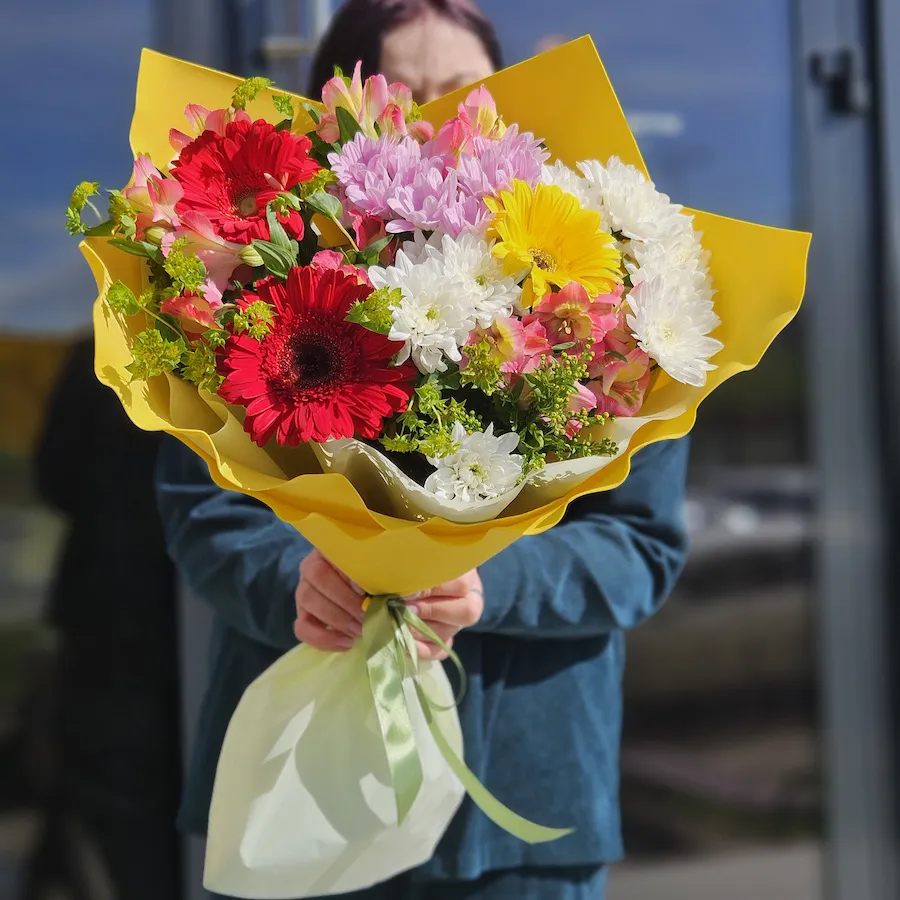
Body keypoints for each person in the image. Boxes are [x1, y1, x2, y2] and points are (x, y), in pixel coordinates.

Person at [156, 2, 691, 898]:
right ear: (341, 117)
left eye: (470, 93)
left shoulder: (609, 299)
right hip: (305, 804)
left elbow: (640, 546)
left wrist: (487, 582)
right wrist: (298, 576)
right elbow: (204, 509)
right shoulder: (246, 282)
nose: (444, 122)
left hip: (525, 809)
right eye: (407, 95)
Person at [33, 335, 183, 899]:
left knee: (114, 801)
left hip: (107, 608)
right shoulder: (231, 341)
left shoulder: (102, 343)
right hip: (177, 612)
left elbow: (54, 477)